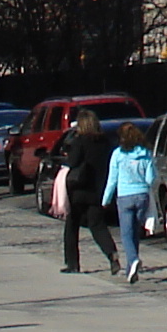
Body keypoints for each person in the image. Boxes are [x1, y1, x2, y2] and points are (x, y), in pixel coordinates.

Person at [58, 113, 120, 275]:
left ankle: (73, 263)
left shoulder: (80, 141)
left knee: (72, 225)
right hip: (98, 190)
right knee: (98, 226)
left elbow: (72, 162)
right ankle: (111, 254)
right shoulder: (105, 142)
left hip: (79, 190)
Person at [103, 121, 152, 282]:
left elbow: (112, 179)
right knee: (135, 233)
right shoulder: (145, 153)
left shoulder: (117, 154)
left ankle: (133, 260)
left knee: (126, 234)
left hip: (124, 196)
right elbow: (151, 178)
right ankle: (132, 268)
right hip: (142, 195)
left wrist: (106, 199)